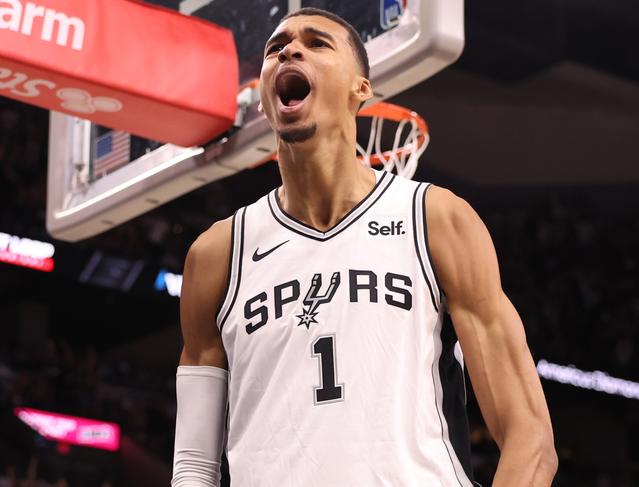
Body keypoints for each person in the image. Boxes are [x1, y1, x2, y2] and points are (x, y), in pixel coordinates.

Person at [172, 7, 557, 487]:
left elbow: (530, 436)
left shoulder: (437, 220)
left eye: (317, 43)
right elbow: (193, 466)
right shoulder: (216, 255)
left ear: (361, 88)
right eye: (276, 48)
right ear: (265, 103)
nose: (290, 50)